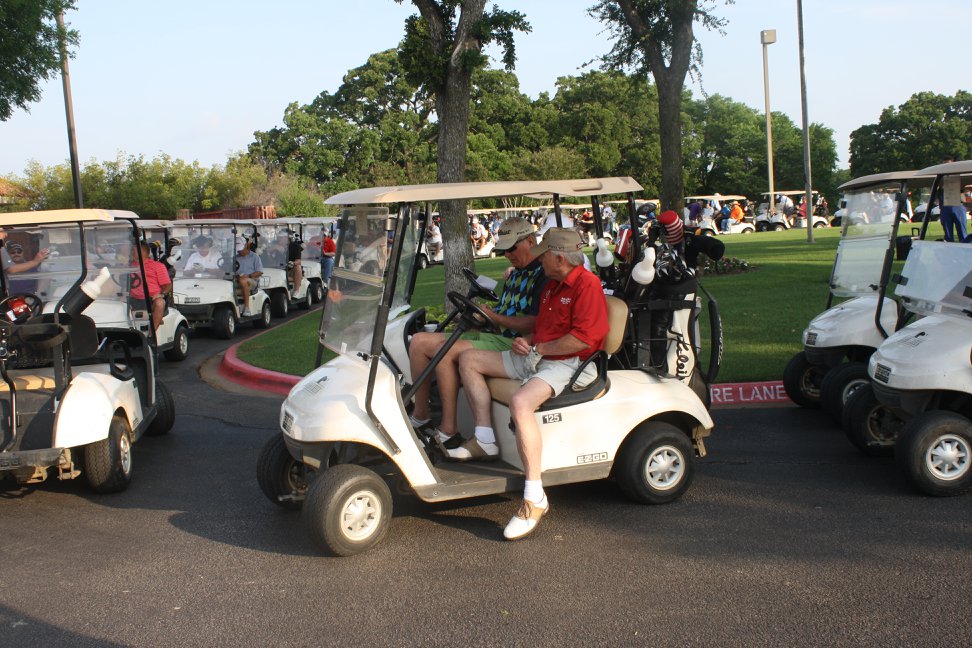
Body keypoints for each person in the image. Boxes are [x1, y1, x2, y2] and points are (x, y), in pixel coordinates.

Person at [453, 227, 609, 540]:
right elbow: (544, 331)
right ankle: (484, 439)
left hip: (570, 363)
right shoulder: (552, 285)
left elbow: (583, 339)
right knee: (468, 359)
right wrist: (525, 341)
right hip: (541, 355)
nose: (539, 261)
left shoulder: (586, 285)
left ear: (559, 258)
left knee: (520, 403)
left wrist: (540, 348)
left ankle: (534, 496)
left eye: (543, 255)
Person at [408, 217, 547, 449]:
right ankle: (421, 415)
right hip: (497, 335)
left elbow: (532, 324)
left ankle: (448, 429)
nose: (507, 255)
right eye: (504, 250)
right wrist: (487, 316)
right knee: (419, 341)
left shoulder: (542, 275)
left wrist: (494, 318)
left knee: (445, 350)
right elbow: (506, 310)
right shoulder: (516, 273)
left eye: (512, 248)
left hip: (515, 343)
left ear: (531, 241)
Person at [130, 240, 172, 331]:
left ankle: (151, 333)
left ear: (144, 251)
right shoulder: (128, 266)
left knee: (160, 303)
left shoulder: (157, 266)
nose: (132, 252)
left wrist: (162, 294)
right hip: (131, 299)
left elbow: (167, 285)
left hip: (150, 299)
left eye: (134, 250)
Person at [234, 237, 263, 316]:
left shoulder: (255, 257)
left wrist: (248, 276)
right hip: (238, 279)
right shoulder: (235, 258)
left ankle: (247, 308)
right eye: (238, 250)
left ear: (246, 246)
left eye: (241, 249)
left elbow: (259, 272)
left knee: (243, 281)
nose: (240, 251)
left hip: (252, 280)